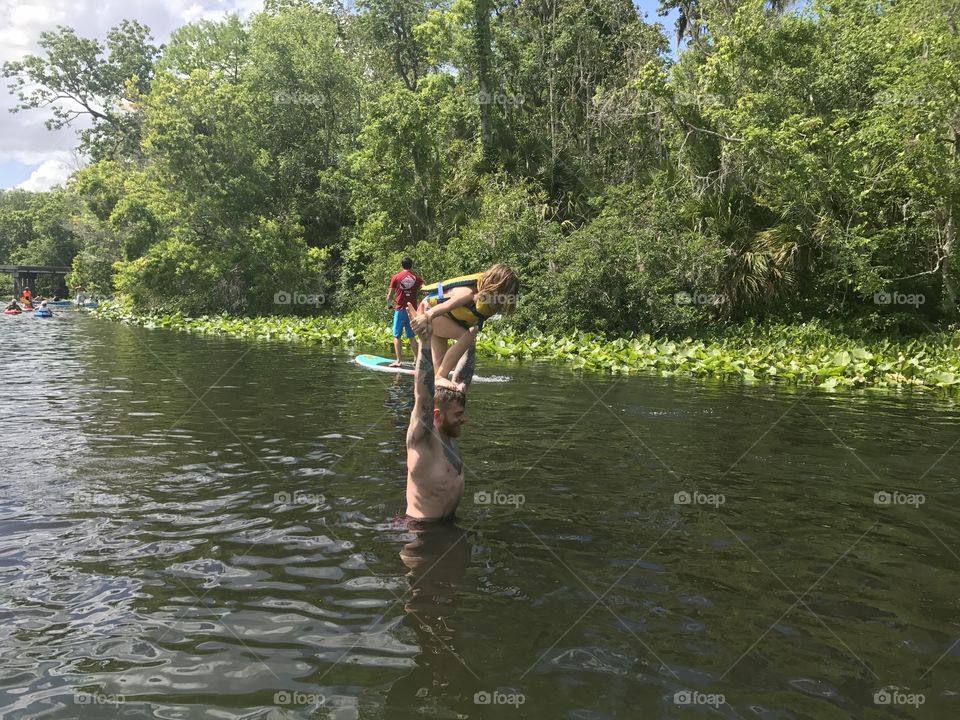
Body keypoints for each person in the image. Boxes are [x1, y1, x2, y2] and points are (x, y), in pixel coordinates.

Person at [404, 302, 477, 522]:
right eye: (458, 415)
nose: (463, 419)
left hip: (451, 526)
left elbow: (464, 376)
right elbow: (423, 396)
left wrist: (473, 332)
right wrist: (425, 342)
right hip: (422, 534)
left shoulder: (450, 434)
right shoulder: (422, 439)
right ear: (435, 415)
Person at [419, 263, 519, 383]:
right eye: (503, 293)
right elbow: (447, 306)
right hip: (430, 312)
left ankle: (439, 384)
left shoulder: (488, 304)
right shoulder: (467, 293)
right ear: (492, 286)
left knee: (438, 369)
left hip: (443, 319)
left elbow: (472, 324)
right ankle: (441, 377)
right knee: (466, 337)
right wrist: (425, 317)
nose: (504, 298)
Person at [387, 257, 424, 367]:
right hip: (412, 311)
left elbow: (390, 295)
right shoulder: (417, 278)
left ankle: (398, 361)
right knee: (411, 336)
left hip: (400, 309)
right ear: (411, 265)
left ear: (401, 265)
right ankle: (417, 360)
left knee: (396, 336)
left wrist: (389, 304)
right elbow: (425, 288)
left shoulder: (396, 277)